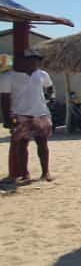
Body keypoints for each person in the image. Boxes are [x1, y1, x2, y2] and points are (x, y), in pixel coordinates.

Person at [0, 49, 55, 182]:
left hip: (41, 114)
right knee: (22, 145)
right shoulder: (8, 77)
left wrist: (50, 98)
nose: (34, 62)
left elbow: (49, 87)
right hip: (21, 115)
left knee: (43, 144)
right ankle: (25, 173)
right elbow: (4, 99)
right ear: (22, 61)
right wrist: (7, 119)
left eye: (37, 59)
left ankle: (45, 172)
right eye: (31, 59)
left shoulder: (42, 75)